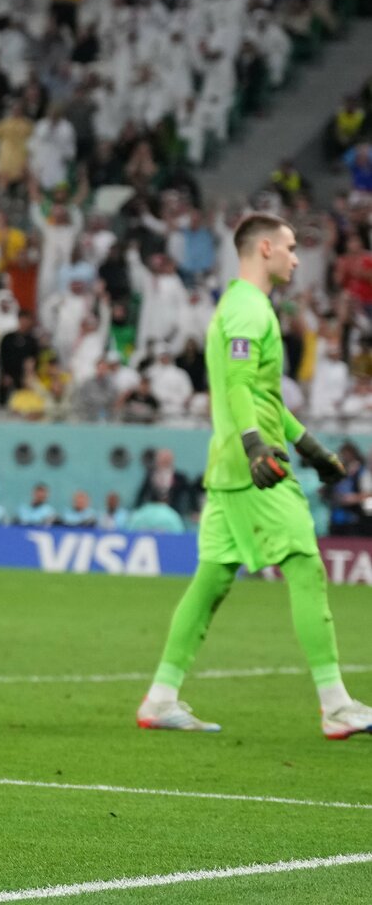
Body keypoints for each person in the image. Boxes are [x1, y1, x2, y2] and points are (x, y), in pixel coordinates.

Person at [138, 214, 372, 738]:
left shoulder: (245, 307)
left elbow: (262, 396)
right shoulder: (248, 308)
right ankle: (336, 704)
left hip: (231, 468)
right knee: (306, 567)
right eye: (290, 248)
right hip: (253, 471)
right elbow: (241, 385)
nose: (296, 257)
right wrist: (255, 446)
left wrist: (309, 447)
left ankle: (160, 697)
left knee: (210, 583)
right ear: (264, 248)